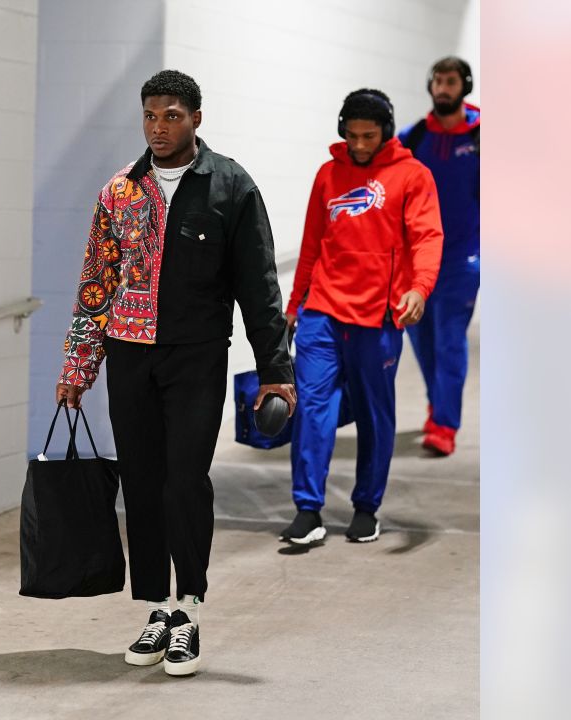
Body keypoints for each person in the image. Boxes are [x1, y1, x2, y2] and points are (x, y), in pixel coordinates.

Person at [54, 70, 295, 676]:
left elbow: (259, 287)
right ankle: (156, 607)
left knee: (184, 480)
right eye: (149, 117)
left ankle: (188, 612)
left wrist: (276, 370)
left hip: (196, 355)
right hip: (129, 354)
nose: (158, 128)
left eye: (170, 116)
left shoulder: (230, 186)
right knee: (141, 481)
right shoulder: (119, 191)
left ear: (195, 119)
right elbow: (95, 284)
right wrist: (78, 366)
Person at [280, 89, 443, 545]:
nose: (360, 144)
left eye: (369, 135)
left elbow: (428, 237)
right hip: (323, 313)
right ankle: (308, 510)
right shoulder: (329, 175)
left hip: (378, 317)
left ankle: (366, 507)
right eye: (351, 135)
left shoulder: (413, 176)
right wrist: (295, 306)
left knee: (375, 414)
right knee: (312, 409)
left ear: (386, 131)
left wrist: (419, 287)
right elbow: (312, 243)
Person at [397, 57, 481, 456]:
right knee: (423, 341)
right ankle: (438, 404)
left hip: (463, 259)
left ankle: (444, 425)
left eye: (451, 82)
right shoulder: (412, 139)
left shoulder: (484, 135)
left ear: (464, 85)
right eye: (438, 82)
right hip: (415, 262)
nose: (443, 89)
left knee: (450, 341)